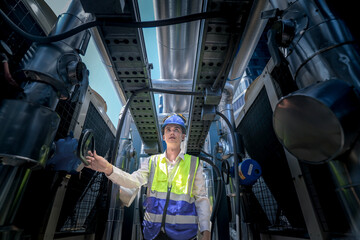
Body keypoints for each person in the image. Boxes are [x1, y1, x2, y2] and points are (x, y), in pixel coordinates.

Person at [86, 113, 211, 240]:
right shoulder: (152, 162)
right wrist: (108, 168)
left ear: (183, 136)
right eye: (168, 130)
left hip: (184, 234)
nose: (172, 133)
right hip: (153, 233)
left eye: (176, 130)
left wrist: (206, 230)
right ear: (163, 136)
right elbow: (133, 181)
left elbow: (201, 198)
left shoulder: (194, 163)